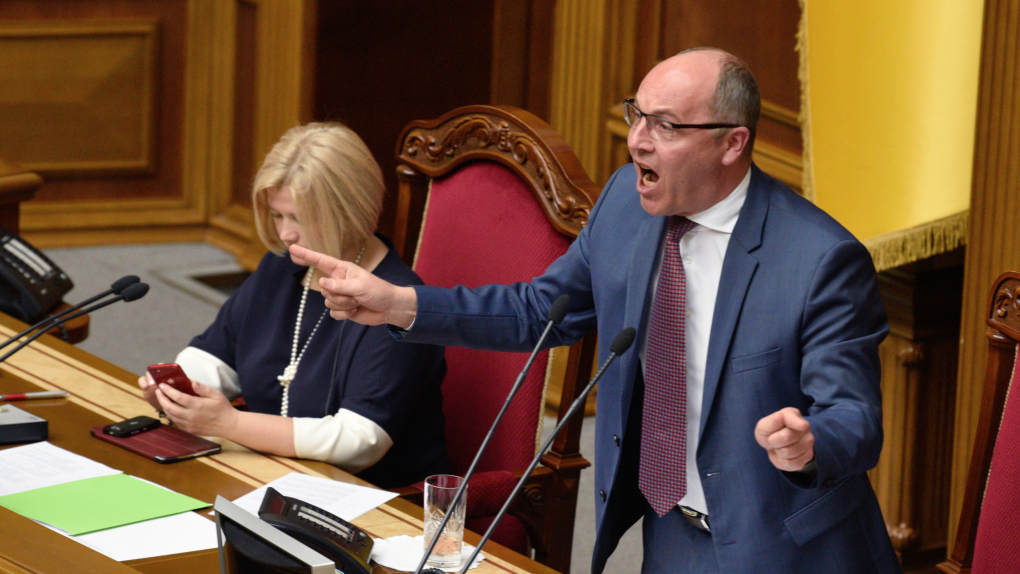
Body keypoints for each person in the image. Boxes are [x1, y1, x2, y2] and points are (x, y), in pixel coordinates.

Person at [293, 49, 901, 573]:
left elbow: (855, 418)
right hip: (672, 533)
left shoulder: (819, 260)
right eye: (638, 113)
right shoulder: (624, 207)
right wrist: (400, 304)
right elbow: (540, 310)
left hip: (790, 550)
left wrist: (809, 443)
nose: (638, 139)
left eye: (666, 125)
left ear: (731, 143)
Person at [138, 122, 449, 489]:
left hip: (368, 496)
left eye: (299, 218)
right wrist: (180, 391)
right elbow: (216, 354)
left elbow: (358, 442)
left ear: (350, 211)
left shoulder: (398, 302)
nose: (285, 234)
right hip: (265, 476)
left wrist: (230, 424)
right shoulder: (282, 267)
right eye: (277, 215)